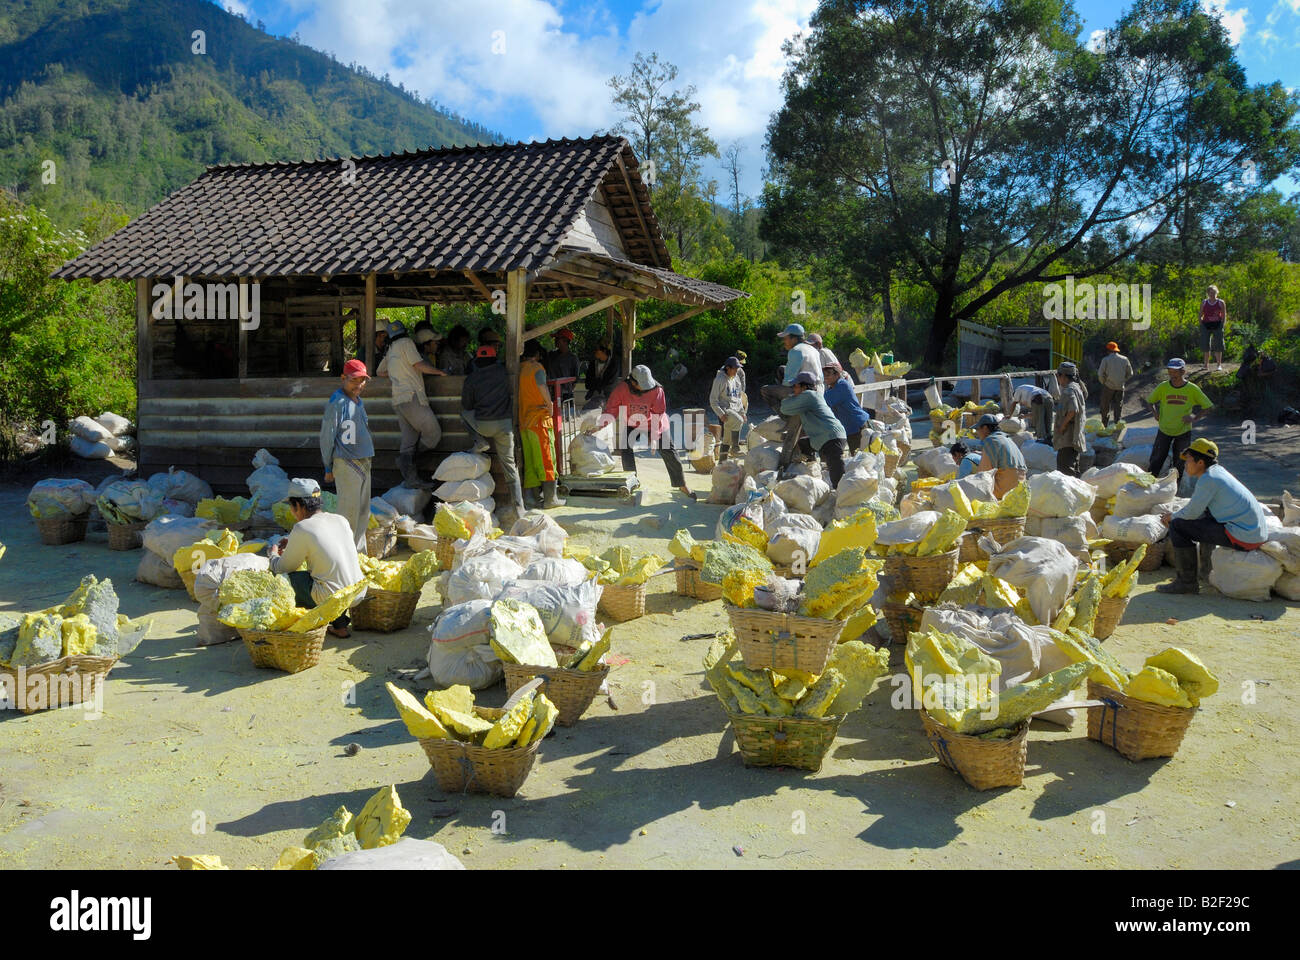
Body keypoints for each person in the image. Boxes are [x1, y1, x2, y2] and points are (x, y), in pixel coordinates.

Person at [1157, 439, 1268, 594]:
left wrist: (1172, 517)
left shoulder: (1209, 480)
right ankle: (1205, 572)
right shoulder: (1218, 472)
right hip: (1252, 533)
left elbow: (1191, 512)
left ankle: (1186, 582)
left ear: (1200, 462)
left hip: (1243, 536)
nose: (1185, 464)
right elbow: (1197, 512)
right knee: (1203, 518)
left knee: (1178, 526)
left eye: (1188, 460)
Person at [269, 479, 367, 639]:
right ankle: (340, 627)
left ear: (298, 506)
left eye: (292, 507)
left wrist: (273, 554)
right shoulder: (340, 520)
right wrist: (294, 541)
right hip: (357, 593)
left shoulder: (302, 527)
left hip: (333, 597)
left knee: (284, 580)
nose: (292, 512)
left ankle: (298, 623)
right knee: (331, 578)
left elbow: (282, 568)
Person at [603, 364, 694, 499]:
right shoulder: (621, 389)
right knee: (625, 447)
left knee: (668, 448)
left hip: (654, 421)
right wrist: (599, 426)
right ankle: (631, 481)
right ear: (632, 382)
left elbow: (658, 414)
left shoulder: (657, 390)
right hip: (630, 422)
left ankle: (681, 483)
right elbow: (611, 409)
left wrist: (654, 437)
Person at [462, 342, 526, 527]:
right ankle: (519, 508)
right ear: (494, 358)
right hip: (505, 426)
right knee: (510, 467)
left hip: (484, 425)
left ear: (478, 360)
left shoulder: (472, 378)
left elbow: (466, 405)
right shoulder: (503, 373)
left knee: (463, 414)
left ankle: (479, 442)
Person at [377, 320, 445, 489]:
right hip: (411, 397)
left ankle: (411, 477)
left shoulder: (390, 348)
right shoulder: (406, 343)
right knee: (433, 434)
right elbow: (418, 364)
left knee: (409, 441)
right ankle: (409, 462)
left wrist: (397, 373)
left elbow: (379, 372)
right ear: (404, 332)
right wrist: (438, 372)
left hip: (399, 400)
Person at [320, 358, 375, 554]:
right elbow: (327, 436)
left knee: (362, 512)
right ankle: (344, 555)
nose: (359, 385)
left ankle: (359, 555)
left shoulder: (358, 401)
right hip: (346, 462)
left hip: (363, 460)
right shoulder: (337, 402)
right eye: (354, 380)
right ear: (343, 378)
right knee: (348, 513)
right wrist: (328, 466)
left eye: (363, 380)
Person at [760, 323, 824, 467]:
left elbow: (788, 382)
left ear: (794, 339)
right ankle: (795, 460)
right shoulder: (813, 350)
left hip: (803, 392)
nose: (784, 342)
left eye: (786, 338)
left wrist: (787, 403)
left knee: (766, 390)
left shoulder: (795, 351)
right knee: (796, 431)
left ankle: (786, 416)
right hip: (818, 392)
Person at [1147, 358, 1213, 483]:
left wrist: (1194, 418)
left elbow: (1208, 406)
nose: (1172, 375)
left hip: (1183, 431)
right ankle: (1149, 483)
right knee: (1157, 459)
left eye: (1175, 371)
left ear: (1183, 372)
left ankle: (1174, 487)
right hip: (1164, 430)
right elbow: (1150, 401)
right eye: (1170, 371)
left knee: (1180, 461)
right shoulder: (1163, 387)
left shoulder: (1192, 389)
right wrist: (1155, 413)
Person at [780, 371, 848, 487]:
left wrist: (788, 397)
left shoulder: (809, 395)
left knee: (837, 475)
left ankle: (843, 498)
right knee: (803, 443)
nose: (793, 390)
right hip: (828, 437)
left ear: (804, 386)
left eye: (795, 386)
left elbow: (784, 408)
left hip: (831, 437)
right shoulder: (810, 396)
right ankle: (810, 464)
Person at [519, 340, 563, 509]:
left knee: (530, 461)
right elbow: (542, 385)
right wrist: (550, 405)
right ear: (537, 354)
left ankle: (530, 499)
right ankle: (551, 499)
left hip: (524, 422)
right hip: (539, 421)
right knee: (546, 459)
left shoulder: (519, 368)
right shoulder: (536, 368)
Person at [972, 413, 1027, 497]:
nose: (977, 432)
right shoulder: (1007, 439)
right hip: (1020, 488)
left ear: (985, 428)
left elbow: (983, 474)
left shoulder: (990, 441)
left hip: (1004, 491)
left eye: (978, 429)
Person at [823, 361, 869, 452]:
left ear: (837, 375)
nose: (825, 377)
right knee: (857, 457)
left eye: (828, 374)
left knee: (859, 459)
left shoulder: (842, 385)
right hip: (849, 427)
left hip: (856, 425)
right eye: (824, 374)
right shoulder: (832, 388)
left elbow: (824, 401)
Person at [1053, 362, 1088, 477]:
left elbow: (1073, 410)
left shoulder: (1069, 391)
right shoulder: (1077, 387)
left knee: (1065, 468)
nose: (1057, 378)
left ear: (1063, 376)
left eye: (1058, 375)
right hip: (1074, 434)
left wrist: (1062, 426)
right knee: (1073, 464)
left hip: (1067, 435)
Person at [709, 356, 747, 462]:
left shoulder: (736, 379)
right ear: (728, 368)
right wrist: (721, 413)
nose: (737, 371)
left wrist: (742, 412)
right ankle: (735, 449)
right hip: (725, 409)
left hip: (735, 409)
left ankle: (722, 463)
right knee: (738, 421)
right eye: (735, 368)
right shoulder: (719, 380)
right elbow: (713, 400)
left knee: (726, 438)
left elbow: (738, 398)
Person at [1097, 340, 1133, 428]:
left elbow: (1100, 374)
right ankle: (1117, 424)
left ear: (1108, 350)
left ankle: (1104, 425)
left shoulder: (1105, 359)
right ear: (1116, 350)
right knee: (1118, 406)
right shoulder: (1125, 359)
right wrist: (1123, 380)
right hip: (1120, 387)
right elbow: (1131, 373)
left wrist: (1103, 382)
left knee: (1105, 406)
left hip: (1108, 386)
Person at [585, 338, 621, 408]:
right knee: (588, 409)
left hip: (609, 398)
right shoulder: (593, 363)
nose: (594, 351)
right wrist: (599, 384)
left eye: (597, 349)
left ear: (604, 350)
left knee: (588, 409)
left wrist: (595, 384)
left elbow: (609, 384)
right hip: (595, 397)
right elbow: (587, 384)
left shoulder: (614, 363)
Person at [546, 328, 580, 403]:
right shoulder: (551, 355)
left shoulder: (573, 358)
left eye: (557, 338)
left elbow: (575, 379)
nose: (555, 340)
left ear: (565, 341)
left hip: (566, 396)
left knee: (567, 414)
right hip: (551, 395)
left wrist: (566, 390)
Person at [1200, 284, 1227, 371]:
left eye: (1214, 292)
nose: (1212, 294)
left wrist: (1222, 324)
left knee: (1219, 345)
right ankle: (1205, 365)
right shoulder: (1204, 302)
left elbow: (1223, 314)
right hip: (1206, 325)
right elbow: (1200, 314)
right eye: (1210, 293)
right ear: (1208, 293)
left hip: (1217, 325)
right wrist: (1201, 323)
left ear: (1217, 293)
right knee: (1205, 345)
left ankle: (1219, 365)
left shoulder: (1220, 302)